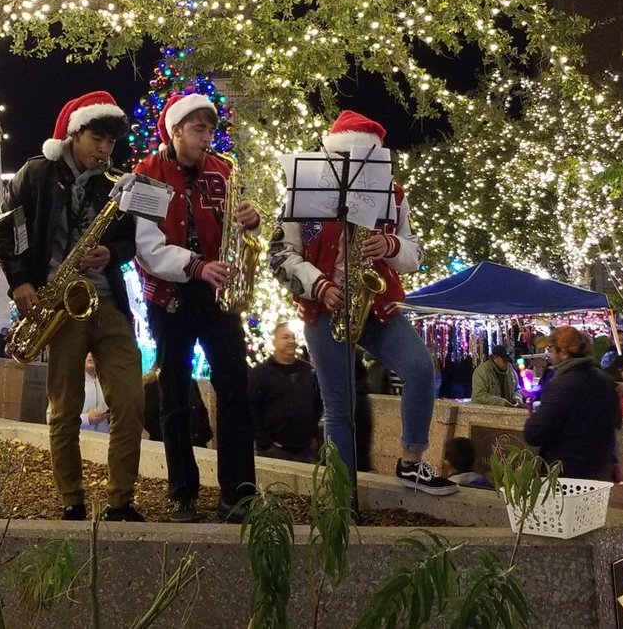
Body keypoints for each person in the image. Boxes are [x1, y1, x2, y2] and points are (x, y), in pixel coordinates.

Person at [268, 110, 457, 495]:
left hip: (377, 303)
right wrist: (318, 285)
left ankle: (410, 461)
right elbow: (280, 256)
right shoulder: (302, 191)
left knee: (420, 368)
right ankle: (342, 493)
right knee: (340, 405)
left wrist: (390, 246)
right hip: (324, 307)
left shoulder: (393, 194)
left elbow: (415, 255)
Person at [0, 91, 146, 522]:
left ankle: (120, 499)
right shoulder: (35, 175)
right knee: (64, 407)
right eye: (97, 139)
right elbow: (8, 235)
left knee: (131, 401)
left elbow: (130, 241)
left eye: (110, 144)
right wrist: (22, 283)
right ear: (74, 134)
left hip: (108, 300)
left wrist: (112, 254)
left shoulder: (113, 184)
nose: (104, 149)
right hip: (58, 304)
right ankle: (71, 498)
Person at [133, 92, 263, 522]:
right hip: (171, 296)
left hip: (218, 294)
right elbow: (147, 248)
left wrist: (251, 222)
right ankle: (182, 491)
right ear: (175, 131)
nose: (207, 138)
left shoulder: (223, 171)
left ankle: (238, 493)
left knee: (234, 391)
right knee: (174, 395)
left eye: (210, 129)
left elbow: (234, 230)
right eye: (198, 129)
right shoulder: (147, 175)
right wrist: (196, 266)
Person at [523, 327, 622, 481]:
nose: (549, 355)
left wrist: (533, 416)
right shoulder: (604, 379)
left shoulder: (561, 385)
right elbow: (617, 421)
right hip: (600, 472)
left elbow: (534, 434)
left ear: (563, 353)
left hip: (567, 476)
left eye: (551, 349)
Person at [248, 322, 323, 462]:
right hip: (274, 452)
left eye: (293, 337)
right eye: (285, 337)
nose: (291, 341)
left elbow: (318, 404)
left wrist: (314, 436)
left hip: (307, 450)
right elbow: (252, 409)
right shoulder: (260, 374)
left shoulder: (308, 371)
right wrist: (265, 442)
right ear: (274, 341)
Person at [143, 370, 213, 448]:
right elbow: (149, 419)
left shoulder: (191, 383)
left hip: (196, 444)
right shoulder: (153, 388)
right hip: (167, 446)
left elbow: (201, 411)